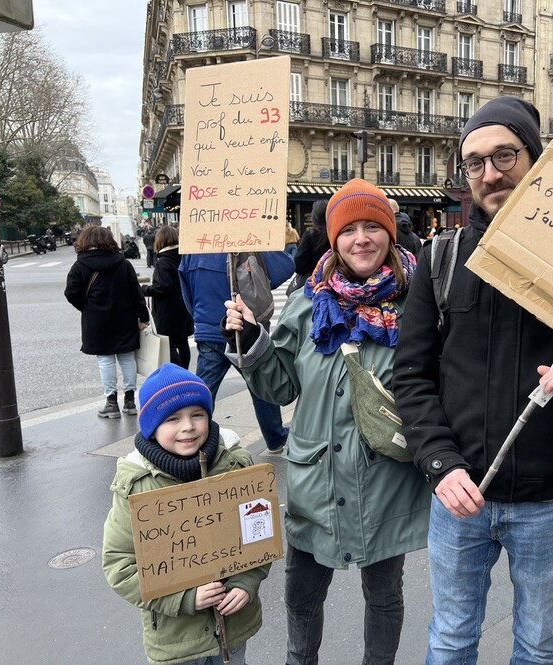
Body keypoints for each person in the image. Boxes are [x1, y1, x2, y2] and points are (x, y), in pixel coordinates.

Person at [392, 96, 553, 665]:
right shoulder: (440, 261)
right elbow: (412, 377)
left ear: (536, 157)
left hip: (548, 499)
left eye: (504, 155)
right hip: (459, 495)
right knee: (450, 640)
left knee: (542, 644)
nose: (490, 173)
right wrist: (439, 464)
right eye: (474, 162)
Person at [224, 178, 429, 665]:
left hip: (386, 481)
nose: (361, 239)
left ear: (390, 235)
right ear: (334, 239)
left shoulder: (419, 302)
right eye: (349, 229)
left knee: (383, 597)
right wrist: (252, 340)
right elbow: (281, 387)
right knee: (301, 598)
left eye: (373, 227)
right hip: (316, 483)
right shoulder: (306, 301)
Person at [102, 363, 271, 665]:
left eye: (198, 414)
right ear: (151, 427)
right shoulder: (136, 486)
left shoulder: (236, 466)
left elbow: (259, 536)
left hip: (233, 628)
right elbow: (120, 565)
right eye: (172, 418)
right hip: (176, 640)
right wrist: (183, 598)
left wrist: (246, 582)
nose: (188, 427)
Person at [178, 251, 289, 453]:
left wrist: (200, 319)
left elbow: (186, 290)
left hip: (208, 328)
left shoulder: (194, 249)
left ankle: (191, 441)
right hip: (241, 326)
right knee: (261, 383)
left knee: (203, 391)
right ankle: (275, 438)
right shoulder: (244, 242)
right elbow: (285, 266)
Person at [64, 225, 149, 418]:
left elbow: (71, 293)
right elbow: (136, 293)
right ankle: (129, 401)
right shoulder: (123, 263)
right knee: (127, 357)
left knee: (105, 359)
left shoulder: (80, 265)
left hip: (96, 320)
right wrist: (143, 317)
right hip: (125, 317)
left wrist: (86, 306)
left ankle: (111, 403)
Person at [142, 225, 194, 369]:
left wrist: (145, 289)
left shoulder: (163, 262)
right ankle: (186, 371)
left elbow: (162, 287)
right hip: (184, 306)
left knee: (169, 345)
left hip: (168, 310)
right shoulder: (184, 257)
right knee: (183, 343)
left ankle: (179, 374)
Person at [291, 199, 331, 293]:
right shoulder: (338, 235)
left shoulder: (310, 235)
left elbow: (299, 266)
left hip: (313, 285)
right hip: (335, 284)